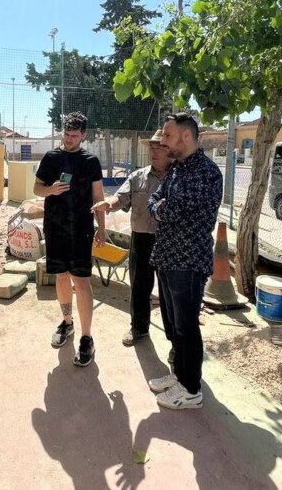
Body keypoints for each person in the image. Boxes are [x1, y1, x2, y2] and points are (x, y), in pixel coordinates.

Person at [146, 112, 223, 409]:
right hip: (167, 256)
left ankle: (191, 390)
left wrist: (162, 209)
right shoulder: (177, 169)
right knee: (172, 324)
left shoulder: (206, 172)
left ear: (186, 136)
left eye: (168, 135)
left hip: (188, 261)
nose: (163, 141)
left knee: (186, 326)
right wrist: (160, 208)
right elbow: (156, 198)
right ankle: (179, 374)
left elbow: (177, 210)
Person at [91, 130, 174, 354]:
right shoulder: (138, 176)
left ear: (169, 150)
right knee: (139, 287)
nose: (154, 152)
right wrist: (108, 205)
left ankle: (175, 340)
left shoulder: (178, 177)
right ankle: (138, 328)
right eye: (152, 148)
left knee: (169, 292)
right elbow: (121, 197)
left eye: (160, 148)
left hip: (170, 241)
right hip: (142, 238)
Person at [34, 112, 106, 367]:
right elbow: (36, 188)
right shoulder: (51, 157)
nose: (68, 139)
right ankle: (67, 323)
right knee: (62, 276)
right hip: (55, 227)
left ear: (84, 135)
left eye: (74, 135)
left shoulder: (90, 161)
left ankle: (87, 338)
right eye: (66, 134)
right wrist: (51, 190)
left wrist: (102, 228)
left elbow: (98, 197)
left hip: (81, 229)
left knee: (82, 280)